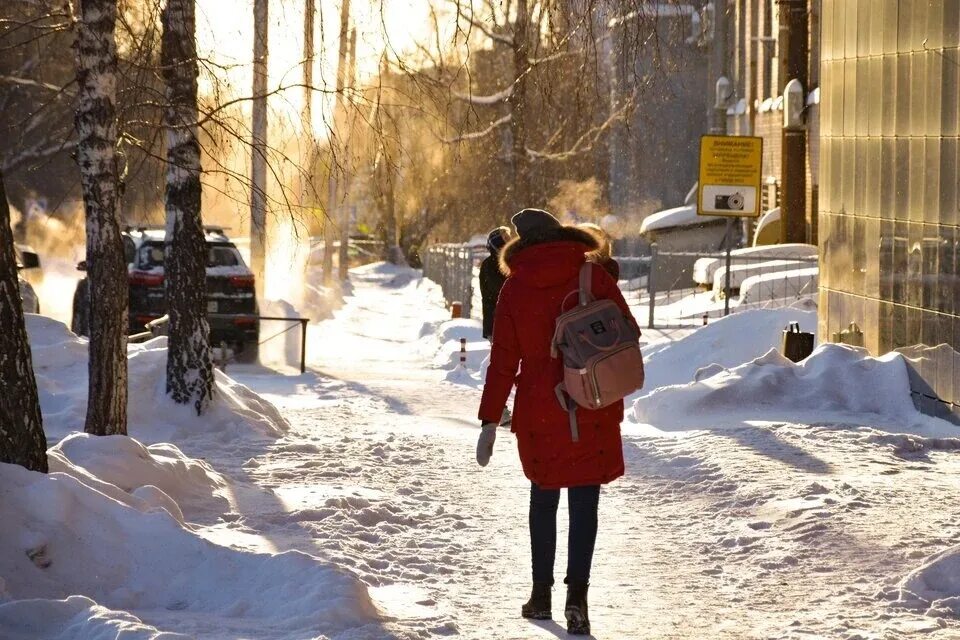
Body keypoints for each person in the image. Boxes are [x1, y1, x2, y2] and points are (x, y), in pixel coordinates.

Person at [475, 208, 640, 635]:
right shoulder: (591, 275)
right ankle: (578, 600)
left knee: (544, 498)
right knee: (585, 500)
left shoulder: (514, 287)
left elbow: (502, 363)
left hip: (540, 410)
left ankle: (541, 594)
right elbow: (629, 331)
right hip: (592, 402)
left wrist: (489, 420)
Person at [479, 226, 511, 340]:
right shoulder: (490, 265)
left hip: (506, 320)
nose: (509, 241)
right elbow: (500, 288)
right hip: (495, 321)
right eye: (505, 238)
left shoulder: (506, 262)